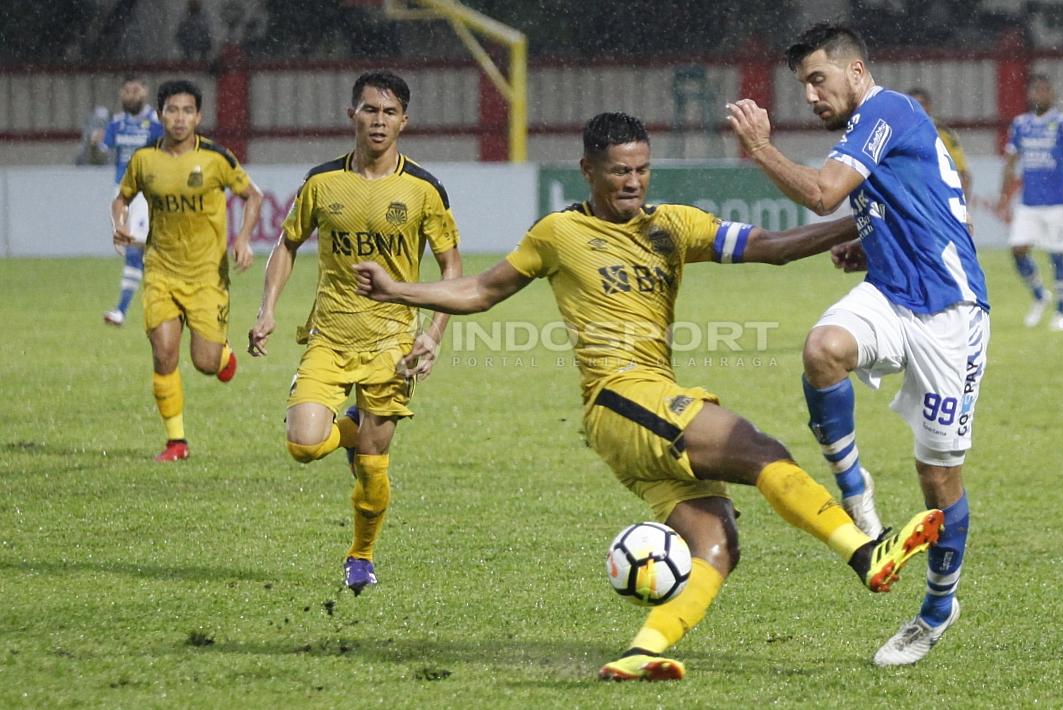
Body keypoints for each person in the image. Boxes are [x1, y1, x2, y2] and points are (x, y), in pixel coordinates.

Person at [352, 111, 944, 681]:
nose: (633, 182)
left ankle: (641, 652)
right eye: (619, 171)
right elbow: (481, 290)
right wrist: (397, 290)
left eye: (641, 169)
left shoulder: (673, 225)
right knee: (761, 450)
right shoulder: (559, 233)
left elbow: (777, 246)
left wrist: (865, 224)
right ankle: (866, 555)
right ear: (589, 170)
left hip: (643, 413)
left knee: (716, 545)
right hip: (618, 399)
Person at [726, 22, 989, 667]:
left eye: (819, 79)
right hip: (890, 294)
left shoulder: (887, 109)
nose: (811, 95)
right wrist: (869, 241)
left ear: (857, 72)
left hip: (951, 317)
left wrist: (761, 148)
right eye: (803, 86)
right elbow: (917, 203)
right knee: (823, 349)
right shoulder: (871, 126)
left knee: (939, 477)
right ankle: (854, 489)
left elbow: (821, 195)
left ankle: (937, 606)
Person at [247, 71, 463, 596]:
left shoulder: (424, 189)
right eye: (370, 110)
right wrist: (267, 309)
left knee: (372, 466)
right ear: (352, 115)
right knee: (302, 446)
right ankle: (349, 426)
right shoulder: (322, 183)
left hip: (393, 342)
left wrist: (432, 334)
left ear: (404, 122)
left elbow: (451, 268)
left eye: (389, 113)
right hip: (329, 335)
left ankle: (361, 555)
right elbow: (287, 243)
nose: (379, 121)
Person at [113, 79, 263, 462]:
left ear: (198, 116)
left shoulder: (216, 158)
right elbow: (122, 198)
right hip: (161, 269)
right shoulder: (145, 160)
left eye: (187, 111)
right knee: (164, 353)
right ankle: (176, 442)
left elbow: (253, 196)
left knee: (205, 363)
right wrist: (120, 224)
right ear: (160, 115)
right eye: (171, 110)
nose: (179, 118)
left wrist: (244, 238)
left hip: (207, 276)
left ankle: (224, 355)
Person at [997, 74, 1063, 332]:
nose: (1039, 95)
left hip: (1056, 203)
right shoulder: (1020, 124)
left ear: (1052, 95)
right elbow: (1010, 163)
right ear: (1030, 94)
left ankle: (1061, 313)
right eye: (1036, 90)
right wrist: (1004, 196)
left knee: (1057, 254)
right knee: (1017, 249)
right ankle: (1041, 295)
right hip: (1028, 203)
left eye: (1044, 90)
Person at [96, 77, 164, 327]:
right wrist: (94, 144)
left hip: (144, 192)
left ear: (145, 92)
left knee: (135, 250)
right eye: (127, 90)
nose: (131, 94)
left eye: (136, 90)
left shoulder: (156, 124)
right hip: (120, 192)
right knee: (140, 252)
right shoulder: (116, 124)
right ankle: (170, 299)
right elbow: (100, 153)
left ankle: (121, 312)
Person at [908, 87, 973, 202]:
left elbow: (963, 173)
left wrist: (963, 206)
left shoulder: (943, 133)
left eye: (921, 103)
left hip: (937, 198)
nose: (917, 107)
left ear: (929, 106)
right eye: (913, 103)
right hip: (908, 196)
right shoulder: (894, 132)